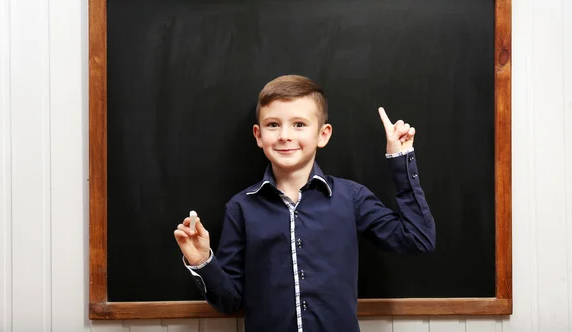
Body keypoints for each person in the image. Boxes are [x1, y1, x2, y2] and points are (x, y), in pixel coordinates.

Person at [174, 74, 435, 332]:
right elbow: (229, 302)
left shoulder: (350, 197)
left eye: (299, 124)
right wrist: (203, 262)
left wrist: (400, 159)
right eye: (273, 125)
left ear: (323, 134)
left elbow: (418, 238)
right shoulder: (241, 208)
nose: (285, 135)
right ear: (258, 135)